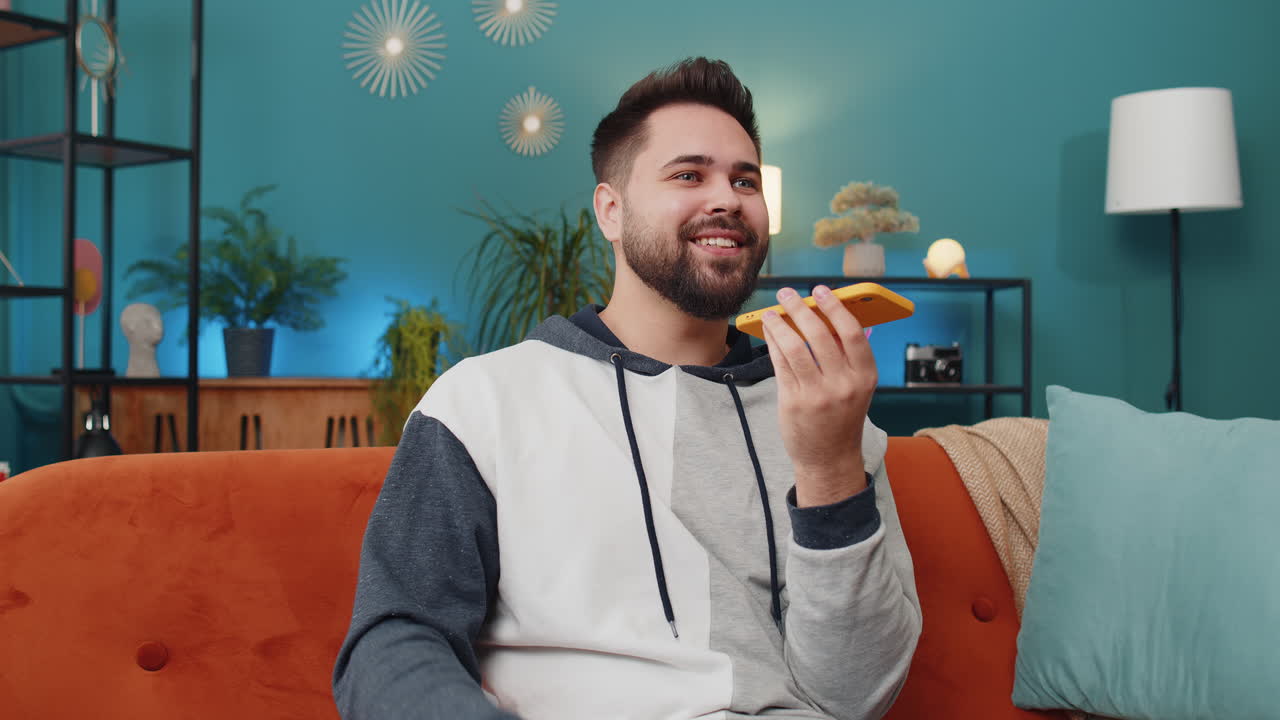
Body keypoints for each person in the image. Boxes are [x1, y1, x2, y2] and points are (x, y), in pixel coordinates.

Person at [333, 57, 921, 720]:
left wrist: (828, 465)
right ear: (610, 211)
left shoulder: (831, 419)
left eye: (745, 180)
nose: (726, 197)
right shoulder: (483, 402)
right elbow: (394, 642)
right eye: (689, 175)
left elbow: (855, 696)